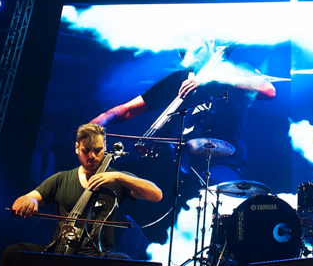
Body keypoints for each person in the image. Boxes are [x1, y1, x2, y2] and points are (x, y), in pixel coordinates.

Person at [91, 40, 276, 184]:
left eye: (195, 48)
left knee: (209, 185)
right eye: (182, 50)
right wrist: (102, 119)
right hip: (180, 165)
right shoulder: (177, 80)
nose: (187, 53)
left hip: (224, 164)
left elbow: (268, 91)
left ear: (209, 44)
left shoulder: (234, 70)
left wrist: (214, 78)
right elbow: (127, 110)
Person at [0, 123, 162, 266]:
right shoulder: (61, 179)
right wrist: (29, 201)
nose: (92, 156)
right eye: (86, 150)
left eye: (97, 150)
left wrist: (119, 177)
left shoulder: (117, 179)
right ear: (77, 148)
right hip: (59, 252)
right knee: (13, 252)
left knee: (123, 261)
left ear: (105, 147)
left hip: (99, 257)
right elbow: (21, 201)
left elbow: (156, 194)